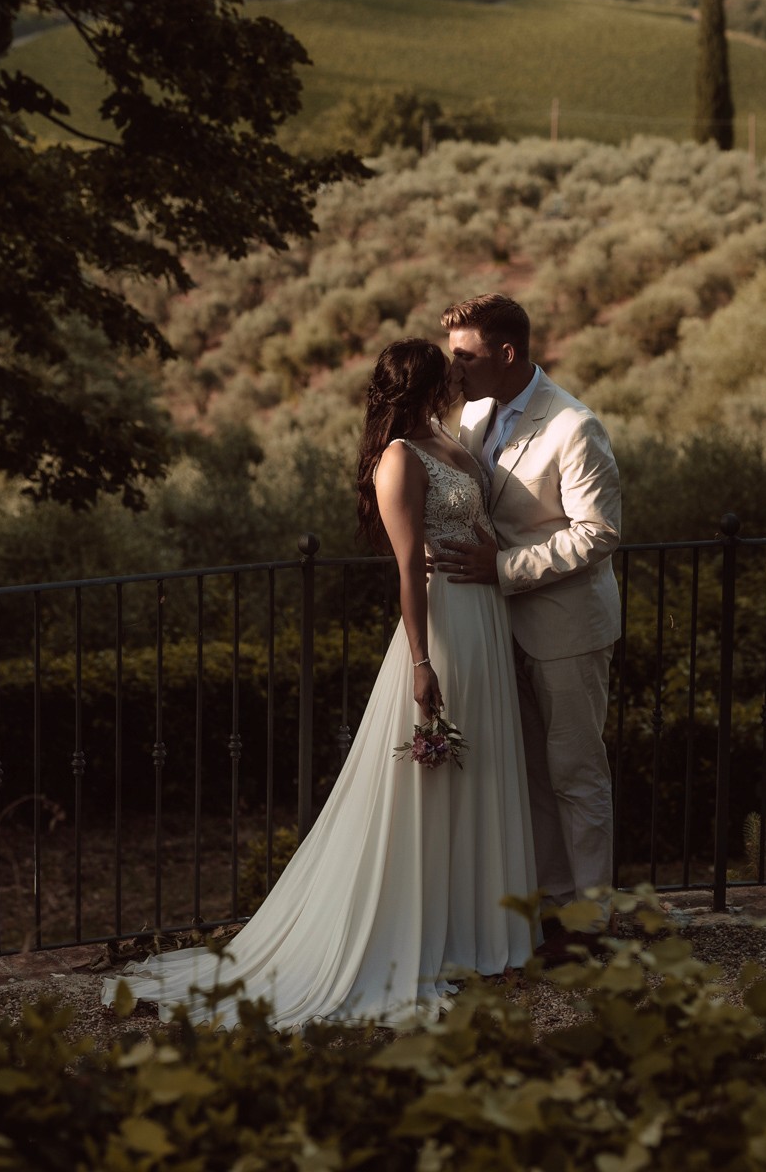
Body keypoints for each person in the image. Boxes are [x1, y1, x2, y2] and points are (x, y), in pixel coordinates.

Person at [104, 338, 536, 1029]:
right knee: (428, 785)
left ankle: (477, 938)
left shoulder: (450, 441)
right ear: (426, 383)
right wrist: (422, 664)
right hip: (446, 631)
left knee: (476, 774)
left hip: (484, 617)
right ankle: (409, 940)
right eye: (447, 370)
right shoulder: (399, 459)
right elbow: (407, 572)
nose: (458, 377)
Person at [435, 295, 621, 953]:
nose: (453, 369)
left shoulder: (574, 425)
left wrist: (503, 567)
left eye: (466, 356)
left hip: (566, 628)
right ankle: (550, 911)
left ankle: (591, 925)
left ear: (507, 353)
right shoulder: (473, 414)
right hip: (492, 628)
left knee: (575, 772)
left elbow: (598, 533)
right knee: (529, 777)